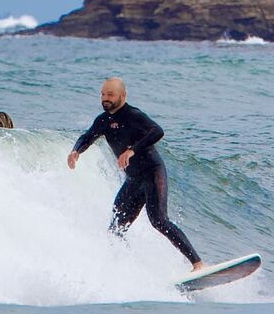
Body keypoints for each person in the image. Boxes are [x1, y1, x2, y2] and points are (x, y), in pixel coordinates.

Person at [68, 78, 204, 270]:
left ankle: (198, 264)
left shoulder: (133, 115)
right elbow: (87, 136)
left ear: (123, 96)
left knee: (159, 220)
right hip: (133, 179)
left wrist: (132, 150)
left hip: (152, 172)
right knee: (115, 229)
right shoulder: (103, 120)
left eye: (110, 95)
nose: (105, 99)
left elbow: (157, 131)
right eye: (103, 94)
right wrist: (76, 151)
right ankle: (126, 270)